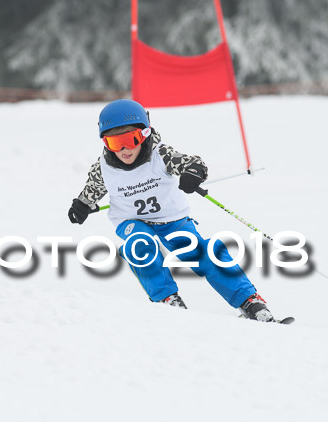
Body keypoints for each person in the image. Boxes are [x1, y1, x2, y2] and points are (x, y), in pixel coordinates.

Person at [68, 99, 274, 322]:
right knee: (140, 242)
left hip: (172, 219)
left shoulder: (161, 155)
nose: (124, 149)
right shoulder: (103, 168)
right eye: (114, 143)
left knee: (203, 252)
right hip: (131, 221)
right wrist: (82, 205)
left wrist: (193, 173)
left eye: (130, 139)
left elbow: (193, 163)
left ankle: (249, 300)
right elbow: (93, 189)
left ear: (145, 134)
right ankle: (167, 299)